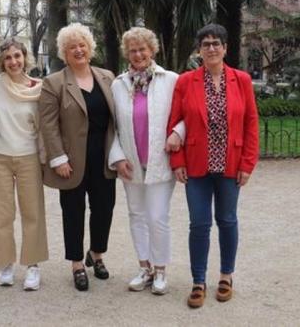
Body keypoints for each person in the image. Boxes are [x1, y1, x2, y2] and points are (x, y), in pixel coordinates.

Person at [166, 24, 259, 308]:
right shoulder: (186, 81)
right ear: (199, 50)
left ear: (225, 48)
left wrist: (248, 164)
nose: (211, 48)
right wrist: (177, 161)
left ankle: (226, 276)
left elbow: (251, 123)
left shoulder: (241, 80)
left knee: (227, 220)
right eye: (205, 44)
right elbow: (174, 122)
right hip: (197, 165)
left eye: (216, 43)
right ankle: (198, 281)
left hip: (231, 163)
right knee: (199, 223)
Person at [38, 23, 117, 292]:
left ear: (90, 48)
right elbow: (48, 124)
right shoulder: (54, 83)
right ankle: (76, 264)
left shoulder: (107, 77)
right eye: (72, 47)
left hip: (103, 157)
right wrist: (58, 158)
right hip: (70, 161)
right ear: (64, 52)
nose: (78, 50)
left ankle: (96, 254)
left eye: (82, 45)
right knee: (73, 212)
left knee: (104, 208)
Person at [108, 27, 180, 295]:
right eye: (132, 50)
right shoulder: (118, 85)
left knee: (157, 216)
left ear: (152, 50)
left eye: (142, 49)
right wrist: (117, 158)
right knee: (136, 214)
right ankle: (144, 267)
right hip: (131, 162)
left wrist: (178, 133)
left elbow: (184, 114)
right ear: (126, 54)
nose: (138, 55)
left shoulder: (170, 80)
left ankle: (160, 270)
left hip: (160, 160)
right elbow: (111, 127)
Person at [0, 39, 48, 291]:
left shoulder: (39, 88)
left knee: (33, 213)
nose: (13, 61)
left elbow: (44, 127)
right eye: (8, 57)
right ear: (2, 61)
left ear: (25, 58)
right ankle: (5, 264)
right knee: (2, 214)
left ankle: (33, 265)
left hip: (28, 156)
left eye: (17, 56)